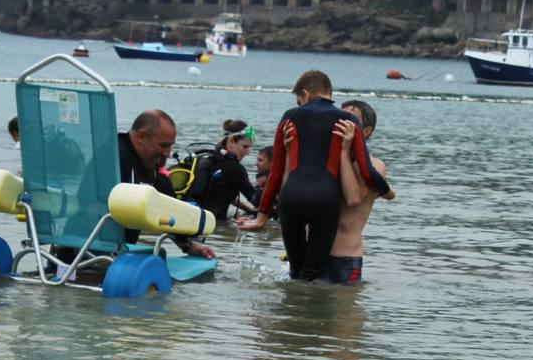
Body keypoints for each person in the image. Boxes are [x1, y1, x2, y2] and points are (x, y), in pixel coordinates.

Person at [238, 70, 391, 281]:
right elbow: (281, 173)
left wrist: (261, 217)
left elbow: (355, 197)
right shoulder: (331, 140)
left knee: (300, 281)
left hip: (343, 257)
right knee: (302, 284)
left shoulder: (291, 116)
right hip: (319, 214)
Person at [119, 110, 216, 258]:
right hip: (95, 252)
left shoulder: (151, 165)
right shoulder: (115, 156)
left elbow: (168, 209)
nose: (168, 153)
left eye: (170, 146)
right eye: (163, 146)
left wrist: (188, 245)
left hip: (105, 253)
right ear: (141, 137)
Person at [326, 100, 389, 284]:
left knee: (345, 313)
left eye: (349, 119)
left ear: (366, 131)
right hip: (310, 253)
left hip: (344, 258)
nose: (341, 123)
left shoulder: (375, 166)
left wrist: (344, 153)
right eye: (338, 118)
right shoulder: (322, 158)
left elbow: (353, 198)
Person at [180, 119, 259, 220]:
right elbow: (256, 200)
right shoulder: (234, 168)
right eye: (245, 146)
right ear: (230, 141)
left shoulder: (212, 159)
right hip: (211, 224)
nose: (248, 152)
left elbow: (222, 192)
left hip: (194, 217)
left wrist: (249, 210)